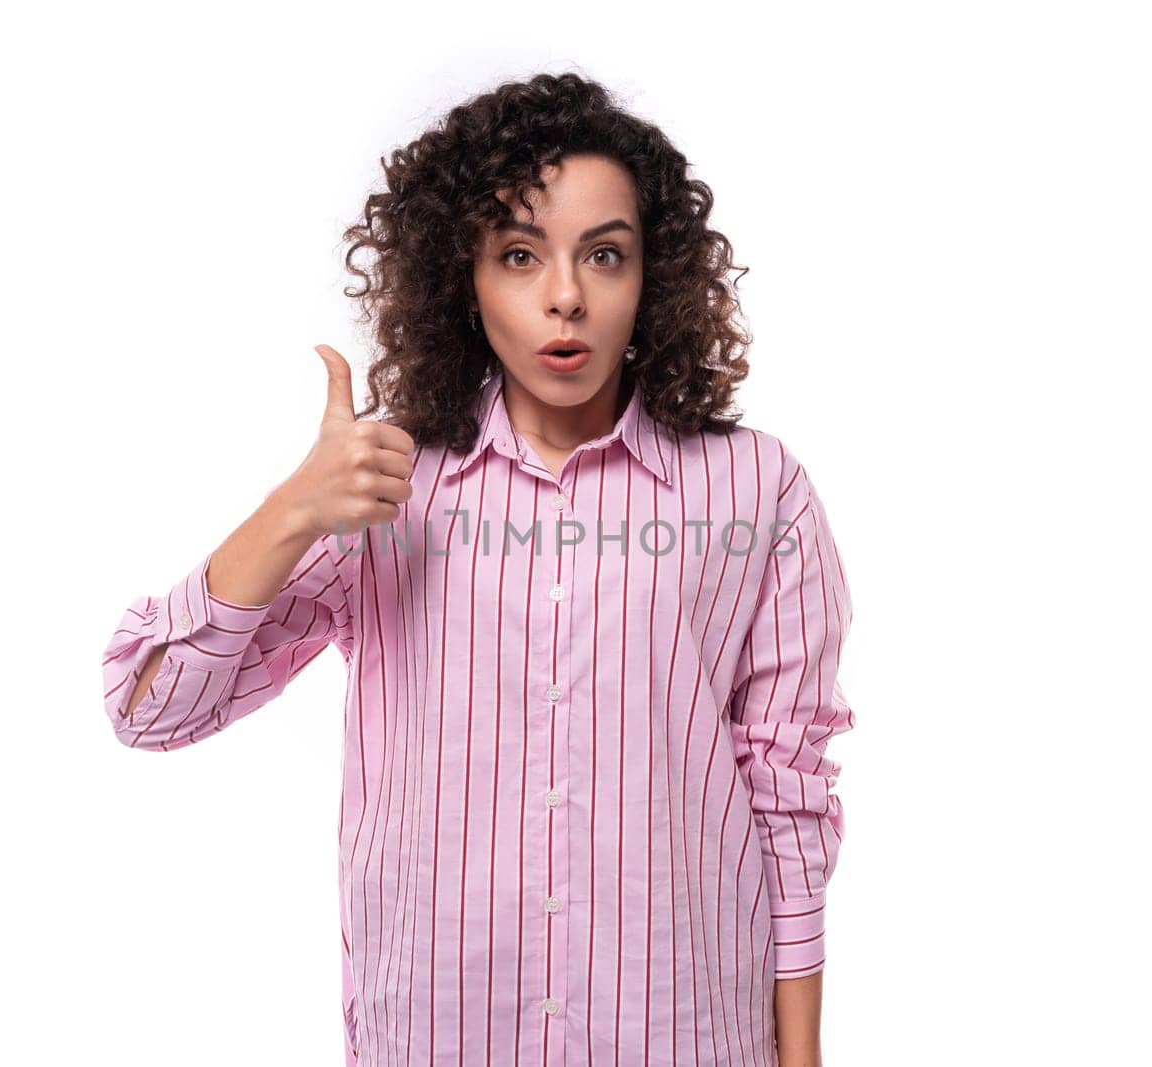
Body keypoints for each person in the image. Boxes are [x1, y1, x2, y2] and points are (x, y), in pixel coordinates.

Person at [101, 71, 856, 1067]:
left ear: (652, 276)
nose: (565, 295)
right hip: (440, 1033)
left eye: (605, 255)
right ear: (463, 278)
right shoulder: (382, 489)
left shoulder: (757, 493)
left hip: (680, 1032)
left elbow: (787, 798)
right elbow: (147, 707)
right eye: (518, 254)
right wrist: (291, 510)